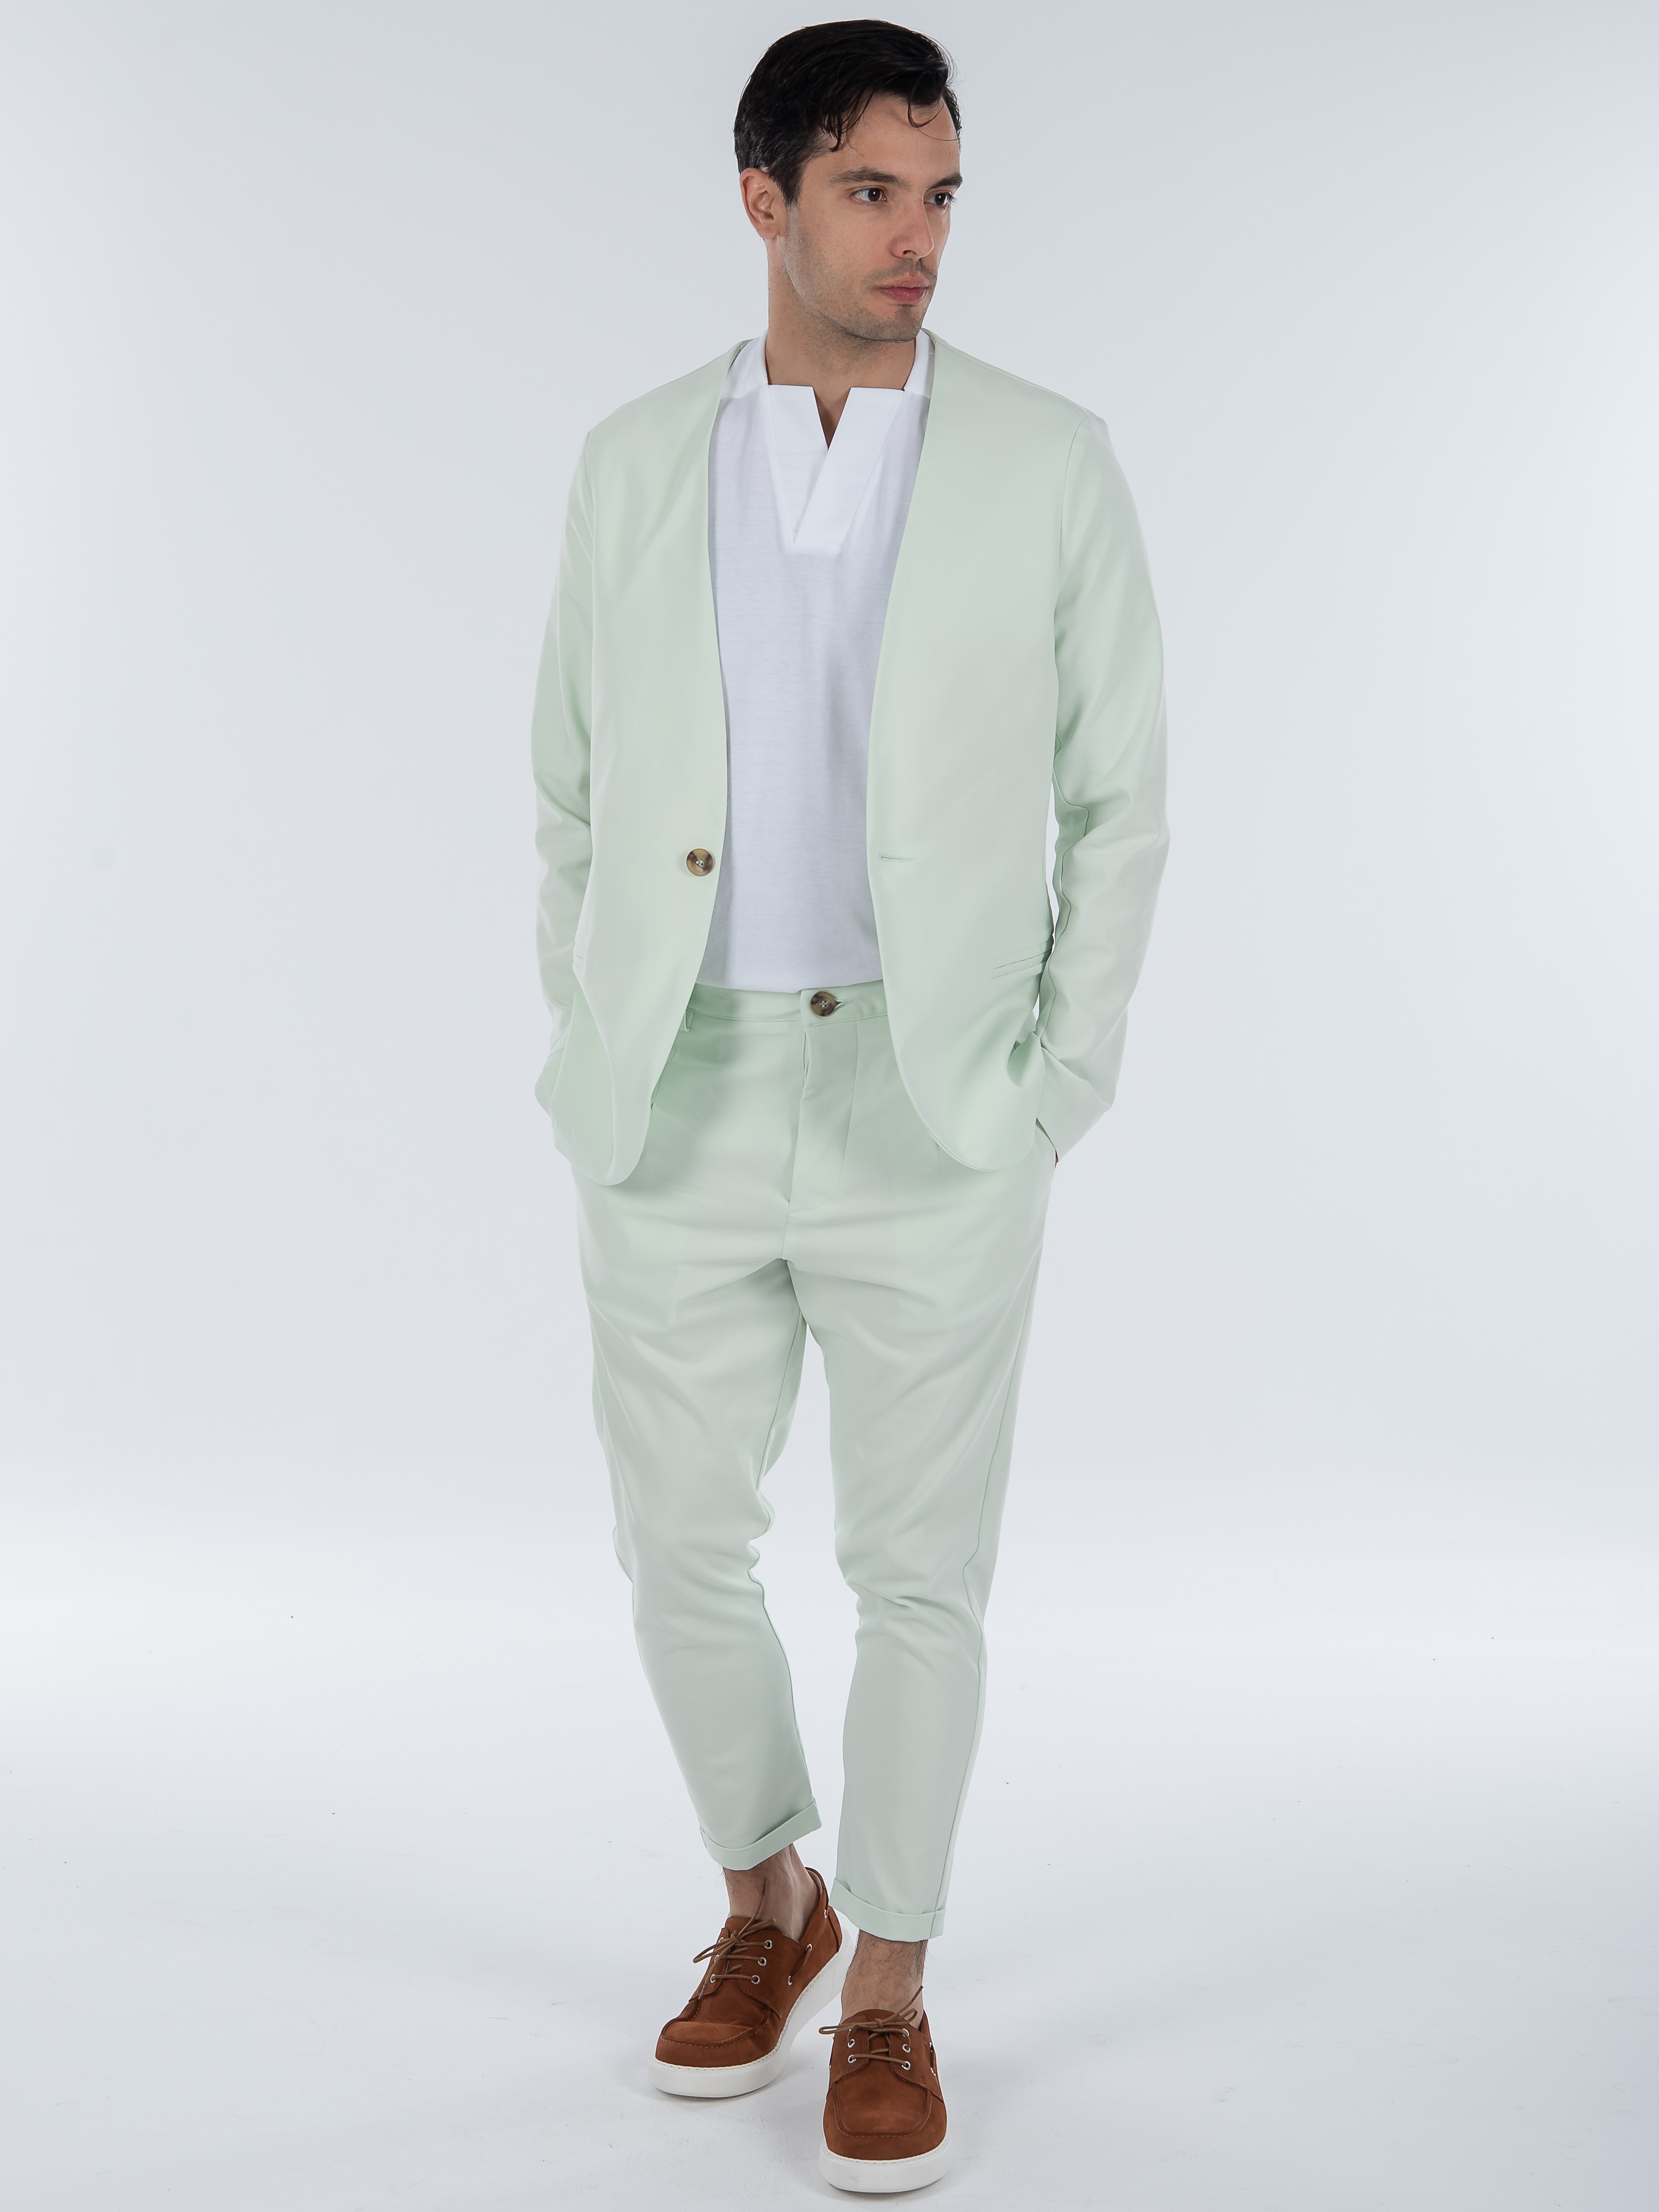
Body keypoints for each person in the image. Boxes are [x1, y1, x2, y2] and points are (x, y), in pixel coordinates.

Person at [531, 18, 1167, 2192]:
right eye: (875, 190)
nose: (919, 236)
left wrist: (1053, 1082)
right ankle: (766, 1897)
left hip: (934, 1092)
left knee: (921, 1570)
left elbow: (1122, 797)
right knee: (674, 1548)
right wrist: (592, 1028)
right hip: (680, 1087)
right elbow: (568, 789)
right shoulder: (636, 459)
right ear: (768, 199)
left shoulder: (1048, 458)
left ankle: (887, 1979)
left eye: (942, 194)